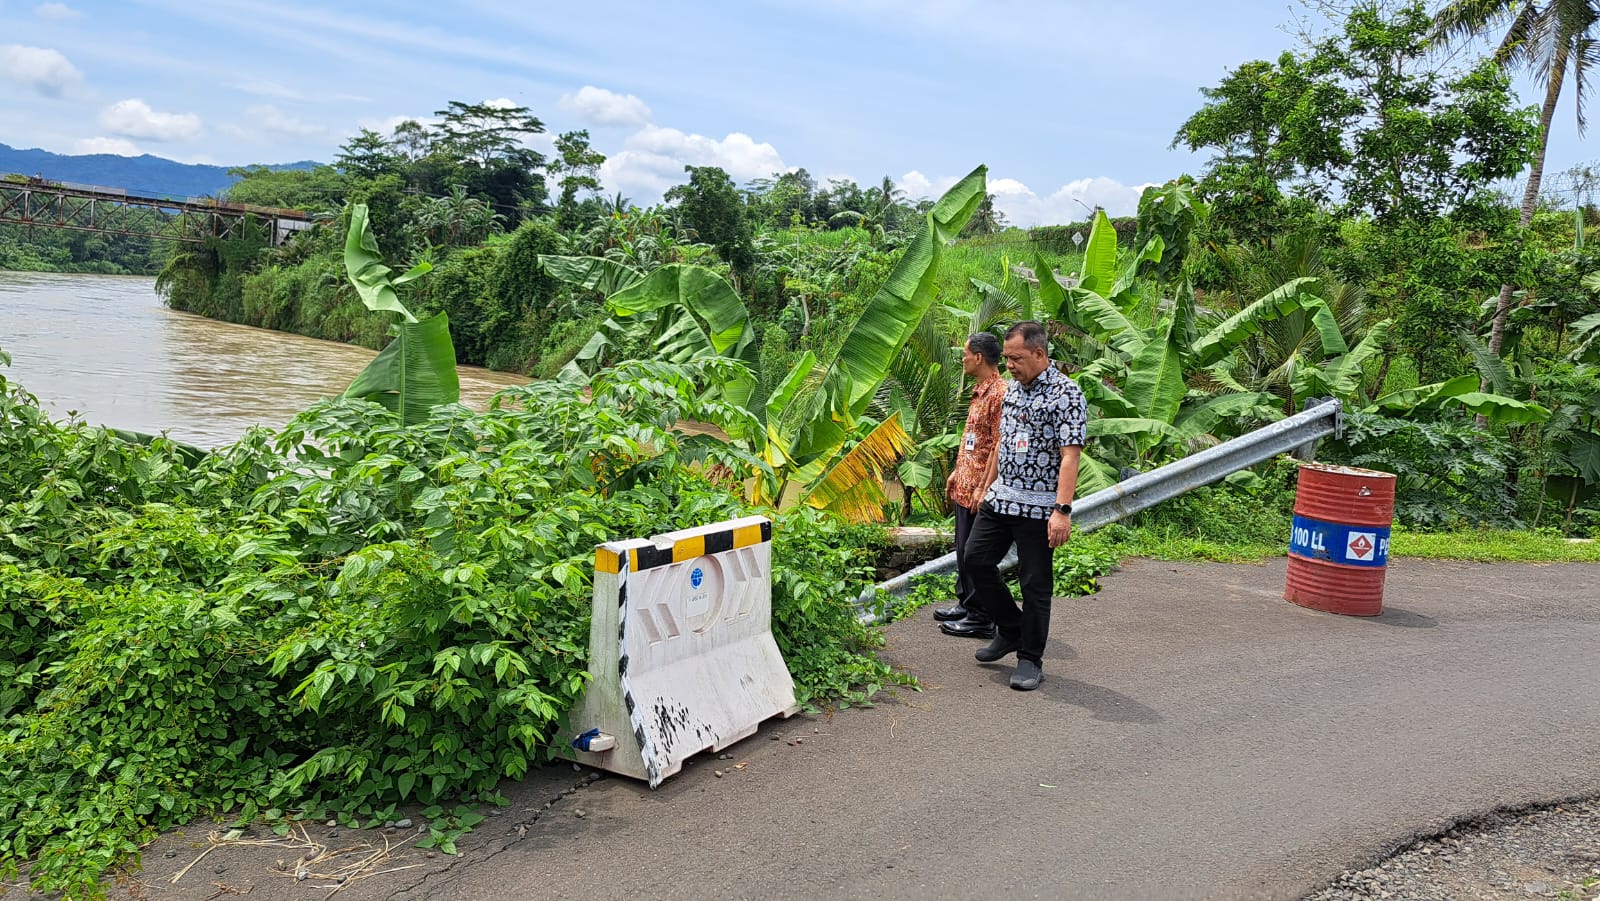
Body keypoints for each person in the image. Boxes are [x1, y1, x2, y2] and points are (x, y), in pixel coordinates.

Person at [964, 320, 1088, 691]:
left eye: (1016, 358)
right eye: (1008, 358)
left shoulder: (1067, 394)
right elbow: (1005, 441)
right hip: (1003, 497)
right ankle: (1011, 628)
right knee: (975, 560)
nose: (1010, 365)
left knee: (1035, 585)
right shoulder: (1014, 391)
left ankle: (1030, 658)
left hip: (1039, 507)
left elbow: (1070, 457)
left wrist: (1061, 510)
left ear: (1039, 353)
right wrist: (987, 486)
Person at [933, 333, 1007, 639]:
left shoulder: (999, 393)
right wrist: (957, 470)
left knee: (976, 553)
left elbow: (998, 444)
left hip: (979, 488)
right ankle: (966, 602)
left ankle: (982, 616)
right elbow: (973, 438)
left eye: (965, 354)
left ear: (978, 357)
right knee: (963, 548)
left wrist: (983, 486)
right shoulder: (979, 391)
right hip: (965, 482)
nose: (962, 359)